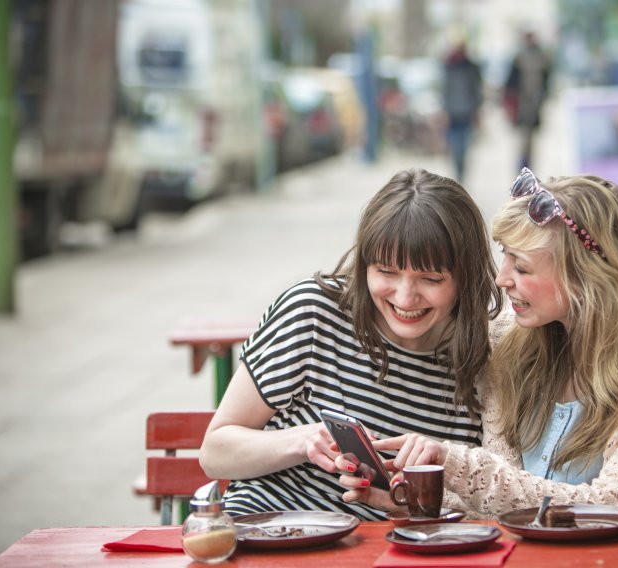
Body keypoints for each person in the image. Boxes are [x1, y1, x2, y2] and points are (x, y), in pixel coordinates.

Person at [337, 169, 618, 517]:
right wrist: (417, 501)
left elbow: (616, 506)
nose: (501, 279)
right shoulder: (506, 342)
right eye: (505, 257)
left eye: (521, 267)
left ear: (584, 277)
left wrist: (459, 464)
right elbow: (503, 505)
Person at [199, 168, 503, 520]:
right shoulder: (314, 313)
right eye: (386, 272)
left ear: (465, 277)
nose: (405, 297)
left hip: (391, 549)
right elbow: (214, 452)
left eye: (431, 278)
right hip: (267, 525)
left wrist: (411, 500)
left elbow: (487, 501)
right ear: (364, 266)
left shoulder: (484, 357)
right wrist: (302, 441)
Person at [503, 31, 552, 170]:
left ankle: (525, 169)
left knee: (526, 142)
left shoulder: (537, 59)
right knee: (525, 142)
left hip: (530, 107)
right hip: (524, 107)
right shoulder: (536, 59)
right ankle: (524, 169)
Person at [441, 40, 483, 183]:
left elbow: (477, 91)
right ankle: (457, 173)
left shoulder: (472, 67)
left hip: (467, 113)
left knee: (463, 148)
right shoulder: (448, 66)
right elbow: (444, 90)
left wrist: (477, 112)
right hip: (452, 114)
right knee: (455, 148)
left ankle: (461, 175)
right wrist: (444, 111)